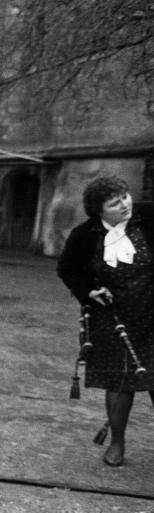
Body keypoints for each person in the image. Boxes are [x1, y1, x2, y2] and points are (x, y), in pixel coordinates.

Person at [57, 176, 153, 467]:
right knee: (120, 381)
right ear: (99, 211)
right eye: (115, 202)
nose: (124, 204)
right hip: (113, 317)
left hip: (152, 309)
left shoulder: (149, 216)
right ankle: (117, 443)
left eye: (125, 196)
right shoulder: (85, 234)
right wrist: (88, 290)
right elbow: (68, 268)